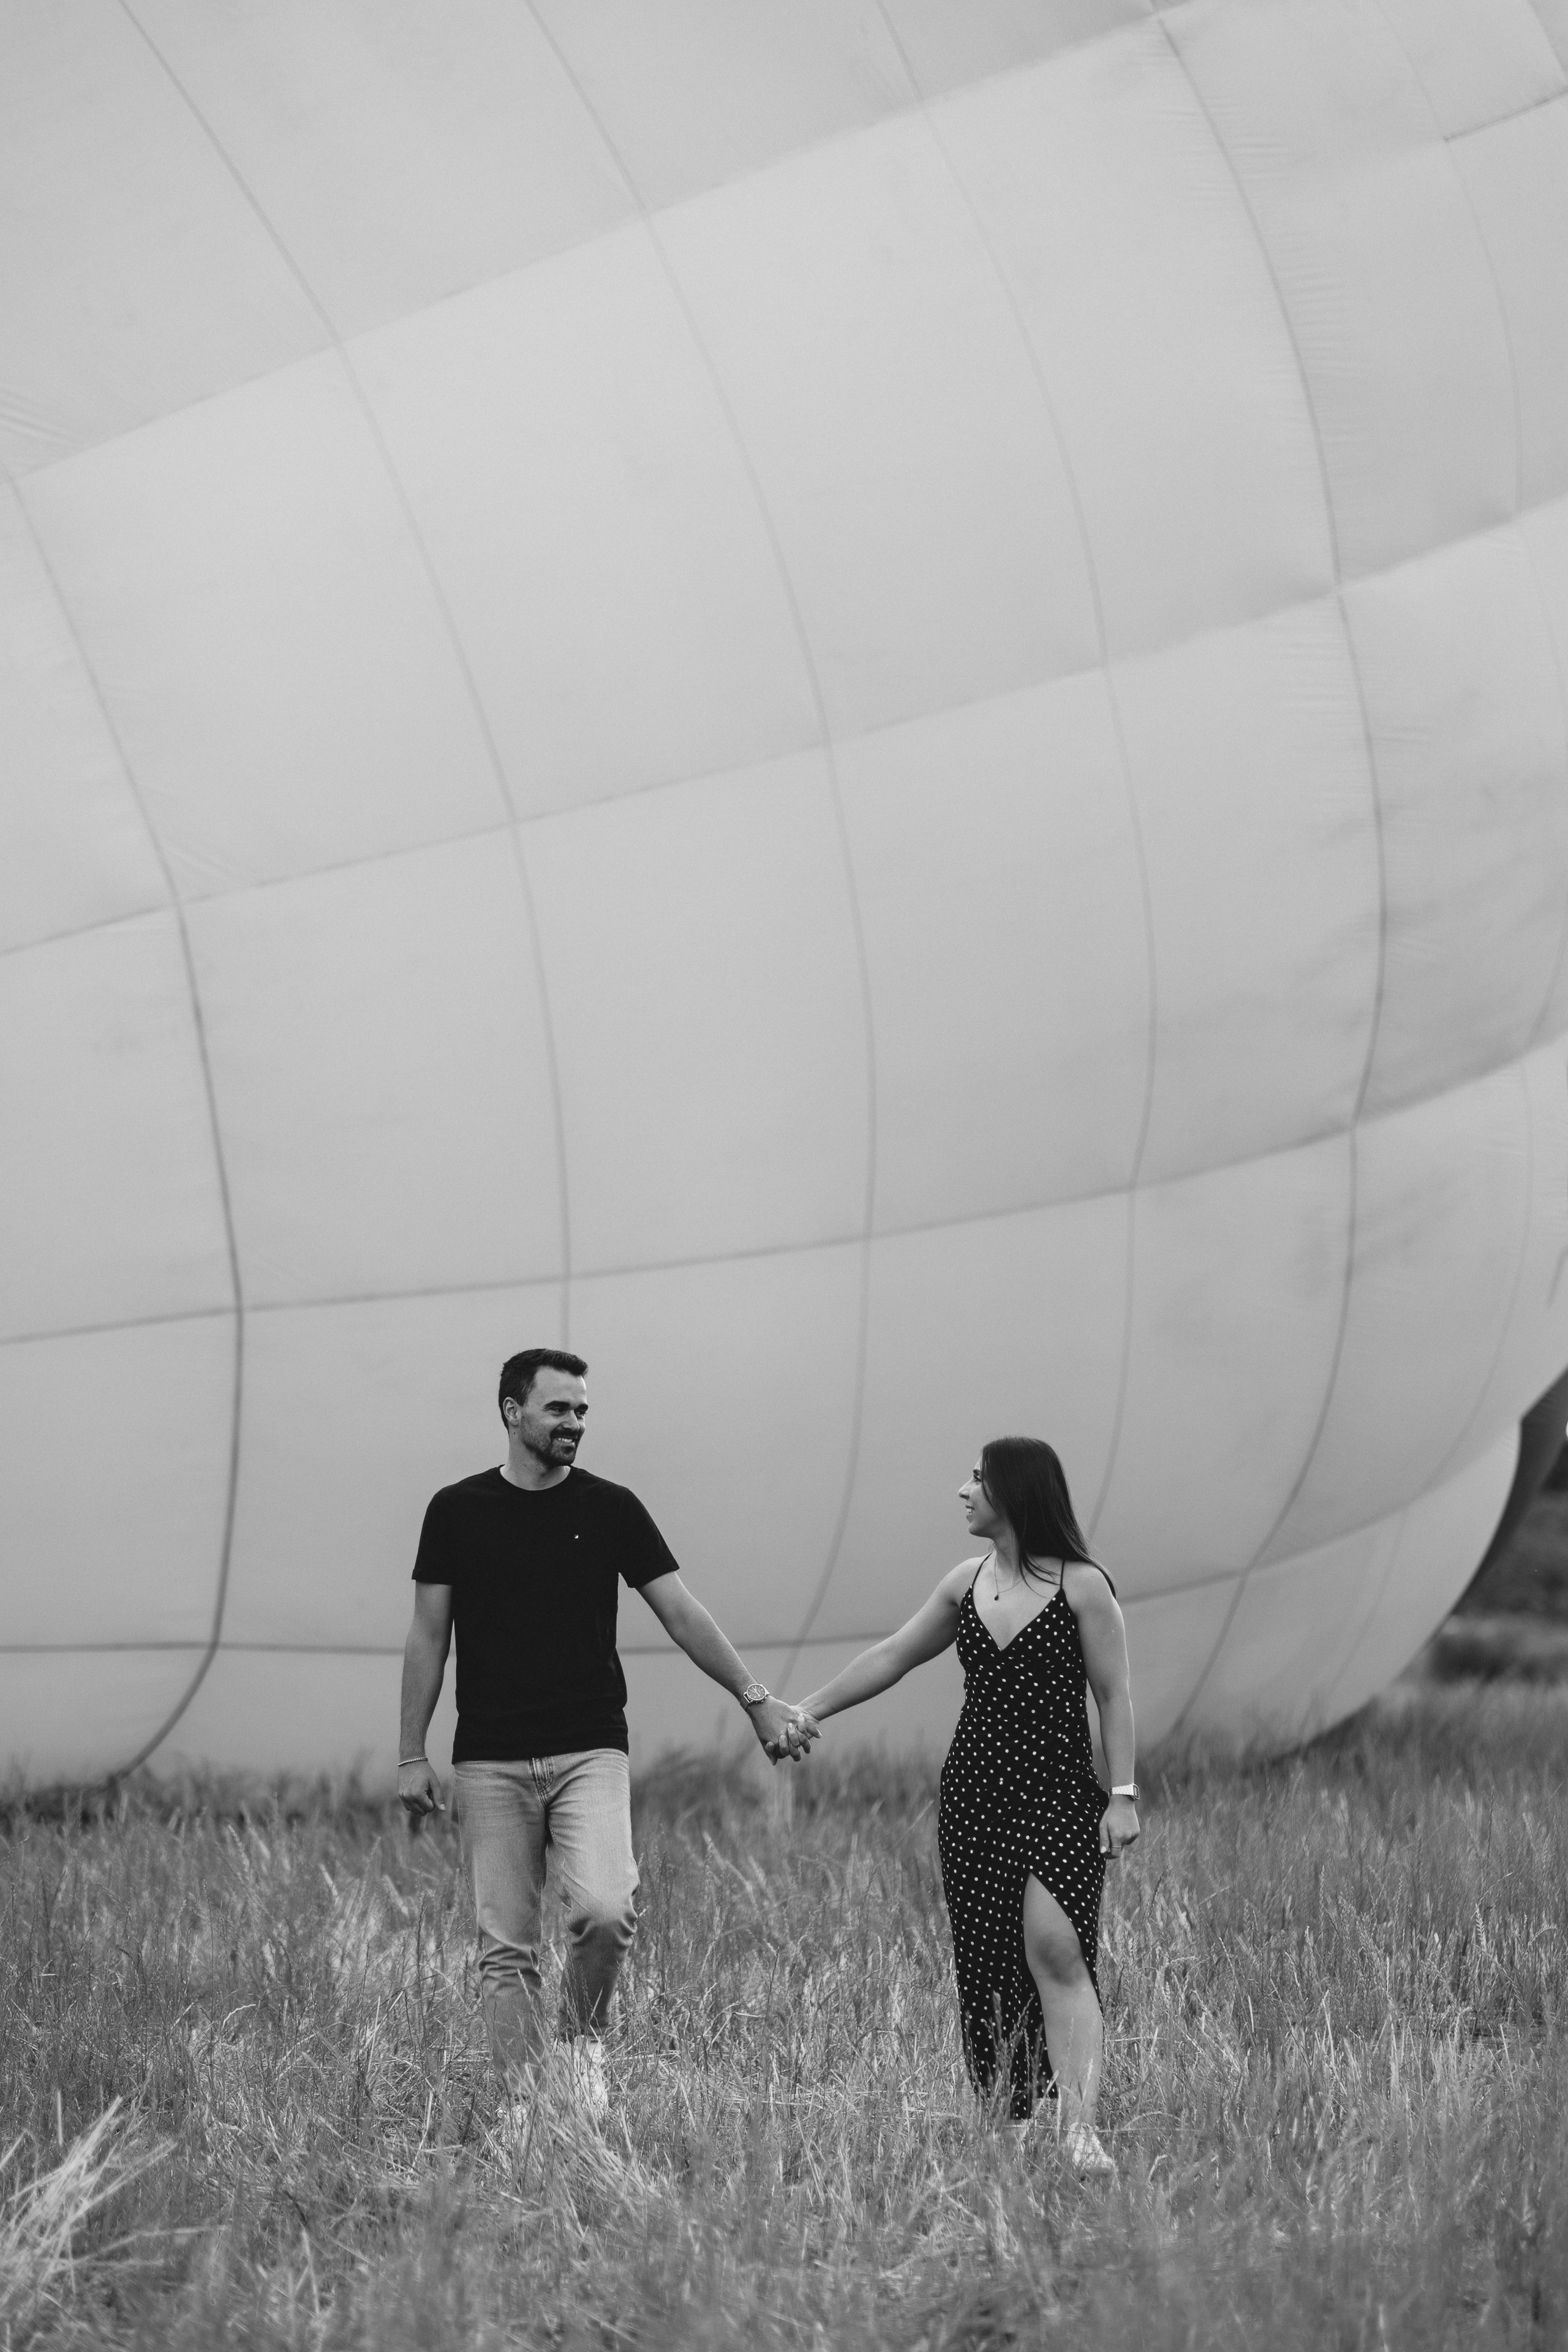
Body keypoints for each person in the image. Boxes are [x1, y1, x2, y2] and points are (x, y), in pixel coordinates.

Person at [396, 1347, 809, 2122]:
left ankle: (580, 2046)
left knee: (606, 1910)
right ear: (513, 1412)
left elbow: (681, 1612)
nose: (575, 1423)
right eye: (558, 1408)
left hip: (589, 1748)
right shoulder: (455, 1510)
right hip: (489, 1758)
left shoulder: (611, 1507)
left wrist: (755, 1699)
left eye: (582, 1410)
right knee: (505, 1947)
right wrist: (412, 1752)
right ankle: (523, 2112)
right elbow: (427, 1636)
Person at [778, 1437, 1139, 2173]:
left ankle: (1079, 2131)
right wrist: (805, 1710)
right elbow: (892, 1655)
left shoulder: (1082, 1585)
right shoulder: (963, 1583)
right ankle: (1011, 2115)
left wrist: (1123, 1795)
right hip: (975, 1796)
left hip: (1059, 1795)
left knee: (1057, 1949)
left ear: (1015, 1490)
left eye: (977, 1478)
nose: (963, 1491)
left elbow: (1113, 1694)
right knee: (986, 1962)